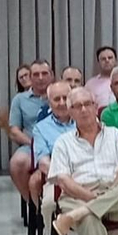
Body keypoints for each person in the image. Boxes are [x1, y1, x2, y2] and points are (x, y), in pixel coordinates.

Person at [47, 88, 118, 235]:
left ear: (96, 107)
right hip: (78, 195)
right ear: (70, 112)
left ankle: (77, 214)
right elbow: (63, 180)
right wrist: (92, 198)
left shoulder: (114, 135)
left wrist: (110, 192)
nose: (84, 109)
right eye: (78, 106)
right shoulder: (63, 142)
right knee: (89, 221)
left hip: (115, 191)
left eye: (88, 104)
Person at [8, 59, 52, 202]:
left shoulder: (59, 95)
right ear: (30, 77)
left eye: (44, 73)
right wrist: (34, 143)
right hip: (30, 145)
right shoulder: (20, 99)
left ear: (51, 75)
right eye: (36, 74)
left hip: (58, 143)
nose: (40, 78)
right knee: (18, 163)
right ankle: (33, 204)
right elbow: (14, 130)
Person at [28, 79, 76, 207]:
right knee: (49, 205)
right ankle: (50, 227)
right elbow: (43, 163)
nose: (62, 103)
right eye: (56, 99)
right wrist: (66, 178)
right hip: (57, 178)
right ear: (49, 103)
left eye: (65, 98)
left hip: (88, 175)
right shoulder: (40, 128)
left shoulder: (85, 120)